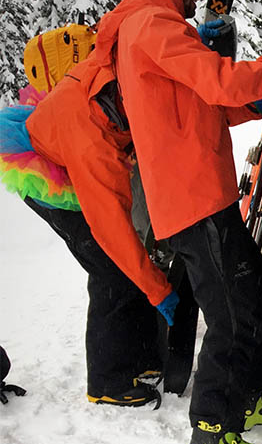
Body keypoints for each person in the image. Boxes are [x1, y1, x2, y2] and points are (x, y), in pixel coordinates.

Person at [91, 0, 262, 444]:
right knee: (231, 315)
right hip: (192, 200)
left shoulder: (158, 27)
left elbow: (206, 104)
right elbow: (219, 80)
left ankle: (251, 392)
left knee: (256, 293)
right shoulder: (152, 27)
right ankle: (212, 435)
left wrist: (259, 97)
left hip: (205, 193)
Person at [0, 25, 174, 407]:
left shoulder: (106, 71)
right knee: (110, 267)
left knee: (121, 264)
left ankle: (142, 359)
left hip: (67, 151)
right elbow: (108, 217)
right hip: (53, 176)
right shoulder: (86, 117)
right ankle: (107, 381)